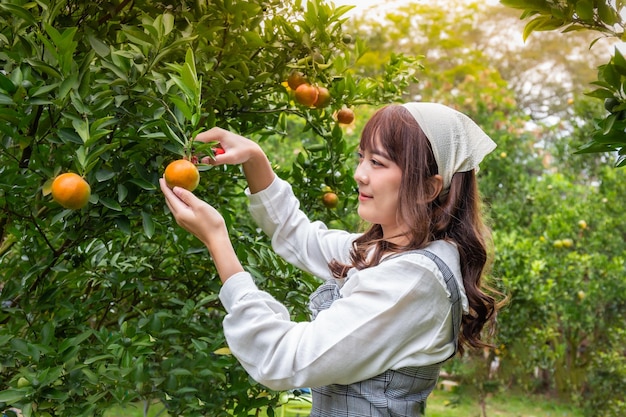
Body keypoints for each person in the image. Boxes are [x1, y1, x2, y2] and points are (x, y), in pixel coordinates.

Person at [160, 102, 501, 416]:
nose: (360, 174)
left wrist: (217, 240)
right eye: (361, 157)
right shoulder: (389, 252)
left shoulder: (412, 280)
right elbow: (300, 237)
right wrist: (255, 159)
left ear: (428, 188)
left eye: (378, 163)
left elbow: (283, 358)